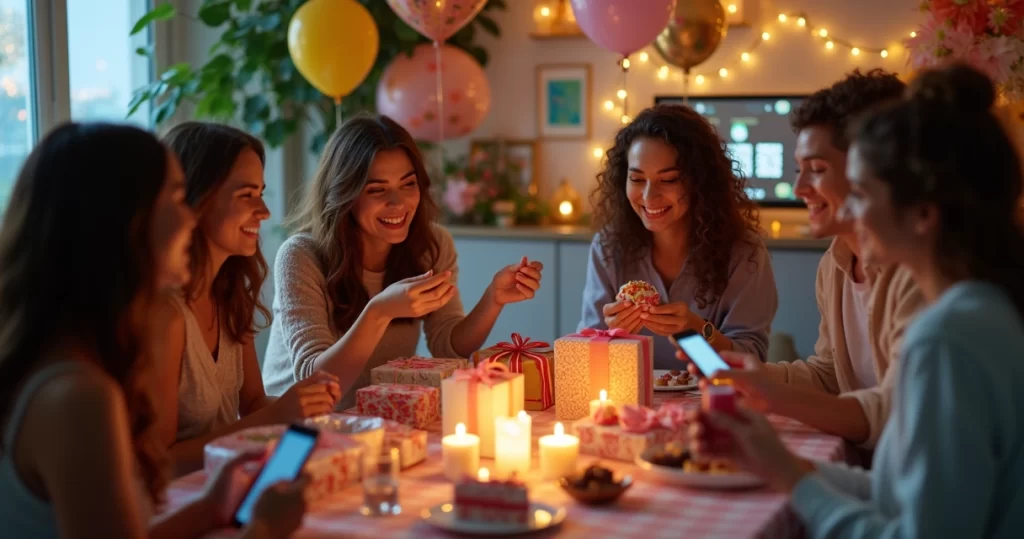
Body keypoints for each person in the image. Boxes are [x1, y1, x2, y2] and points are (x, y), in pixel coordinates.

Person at [689, 64, 1024, 538]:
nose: (849, 209)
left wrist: (787, 474)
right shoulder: (982, 310)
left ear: (923, 213)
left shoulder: (946, 337)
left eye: (862, 192)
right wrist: (775, 455)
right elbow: (897, 495)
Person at [0, 123, 306, 538]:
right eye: (177, 198)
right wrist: (265, 529)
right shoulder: (79, 396)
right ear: (124, 221)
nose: (190, 216)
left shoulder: (74, 365)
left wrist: (209, 510)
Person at [685, 69, 925, 447]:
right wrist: (757, 377)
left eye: (817, 170)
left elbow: (898, 415)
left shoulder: (921, 274)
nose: (799, 189)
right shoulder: (835, 263)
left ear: (873, 168)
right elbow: (829, 375)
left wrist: (774, 397)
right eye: (799, 170)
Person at [262, 115, 544, 409]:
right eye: (377, 189)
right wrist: (380, 312)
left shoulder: (432, 245)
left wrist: (493, 299)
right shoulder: (300, 255)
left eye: (408, 184)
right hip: (296, 423)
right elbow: (315, 381)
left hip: (377, 413)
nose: (398, 203)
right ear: (345, 194)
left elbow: (447, 346)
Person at [158, 122, 340, 475]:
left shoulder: (229, 294)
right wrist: (279, 414)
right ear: (195, 198)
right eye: (246, 195)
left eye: (261, 193)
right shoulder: (165, 314)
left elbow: (253, 402)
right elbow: (161, 463)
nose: (264, 211)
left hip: (228, 482)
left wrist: (306, 406)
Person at [579, 104, 777, 368]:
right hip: (628, 391)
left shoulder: (744, 253)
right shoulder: (608, 247)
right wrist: (612, 337)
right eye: (637, 179)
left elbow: (748, 364)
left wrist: (697, 332)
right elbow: (585, 359)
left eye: (669, 180)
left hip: (710, 391)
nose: (649, 196)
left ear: (700, 181)